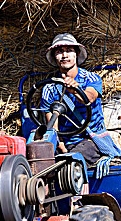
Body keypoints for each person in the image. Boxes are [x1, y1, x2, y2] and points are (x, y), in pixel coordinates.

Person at [40, 33, 106, 166]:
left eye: (69, 50)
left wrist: (75, 91)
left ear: (76, 54)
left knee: (71, 165)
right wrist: (61, 145)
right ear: (54, 57)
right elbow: (52, 125)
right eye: (59, 52)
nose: (64, 56)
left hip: (91, 139)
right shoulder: (49, 88)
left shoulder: (91, 79)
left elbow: (90, 97)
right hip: (65, 143)